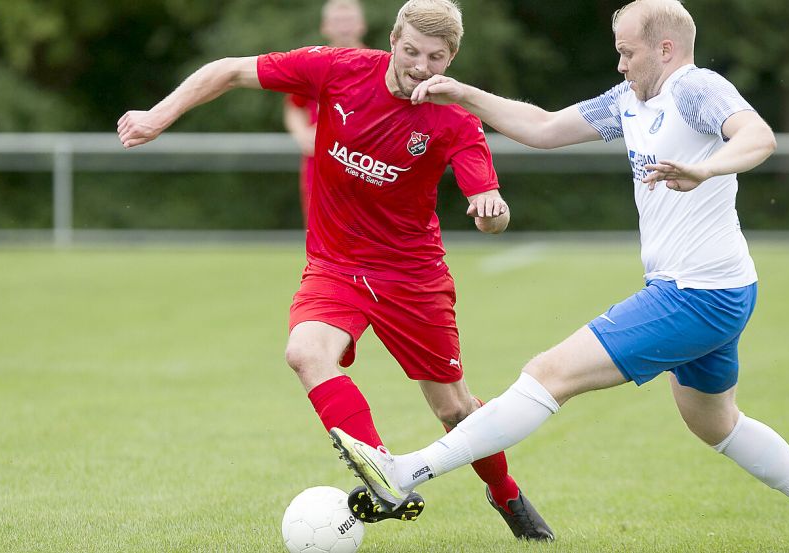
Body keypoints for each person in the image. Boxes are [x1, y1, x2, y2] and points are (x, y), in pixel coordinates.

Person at [329, 0, 789, 547]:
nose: (619, 64)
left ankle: (406, 471)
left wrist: (704, 168)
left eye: (627, 52)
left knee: (548, 374)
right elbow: (543, 128)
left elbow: (758, 136)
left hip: (696, 294)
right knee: (716, 423)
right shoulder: (629, 100)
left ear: (665, 50)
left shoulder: (694, 88)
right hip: (719, 289)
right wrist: (465, 93)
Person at [116, 0, 555, 542]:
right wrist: (158, 117)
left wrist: (492, 213)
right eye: (411, 50)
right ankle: (385, 477)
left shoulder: (455, 120)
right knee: (304, 352)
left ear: (452, 57)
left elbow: (491, 205)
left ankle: (507, 496)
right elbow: (226, 69)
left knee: (454, 408)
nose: (420, 66)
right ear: (392, 38)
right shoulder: (338, 68)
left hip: (412, 279)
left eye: (435, 58)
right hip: (336, 266)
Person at [283, 0, 367, 224]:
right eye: (337, 20)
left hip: (364, 165)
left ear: (362, 25)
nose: (344, 26)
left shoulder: (379, 66)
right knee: (319, 232)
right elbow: (294, 108)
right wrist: (301, 134)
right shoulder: (314, 64)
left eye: (349, 20)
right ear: (325, 27)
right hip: (320, 164)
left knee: (365, 233)